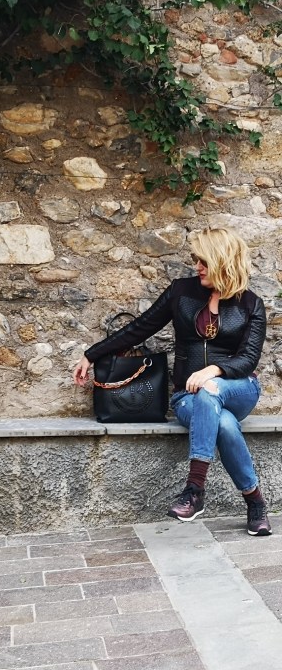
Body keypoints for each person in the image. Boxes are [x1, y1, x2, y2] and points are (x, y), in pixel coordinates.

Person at [73, 226, 271, 536]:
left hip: (238, 389)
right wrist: (92, 354)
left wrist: (213, 371)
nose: (197, 266)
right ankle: (255, 502)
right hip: (187, 397)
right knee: (224, 423)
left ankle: (194, 488)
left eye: (204, 261)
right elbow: (141, 327)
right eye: (196, 260)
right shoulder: (181, 292)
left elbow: (248, 359)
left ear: (222, 260)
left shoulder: (250, 304)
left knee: (210, 390)